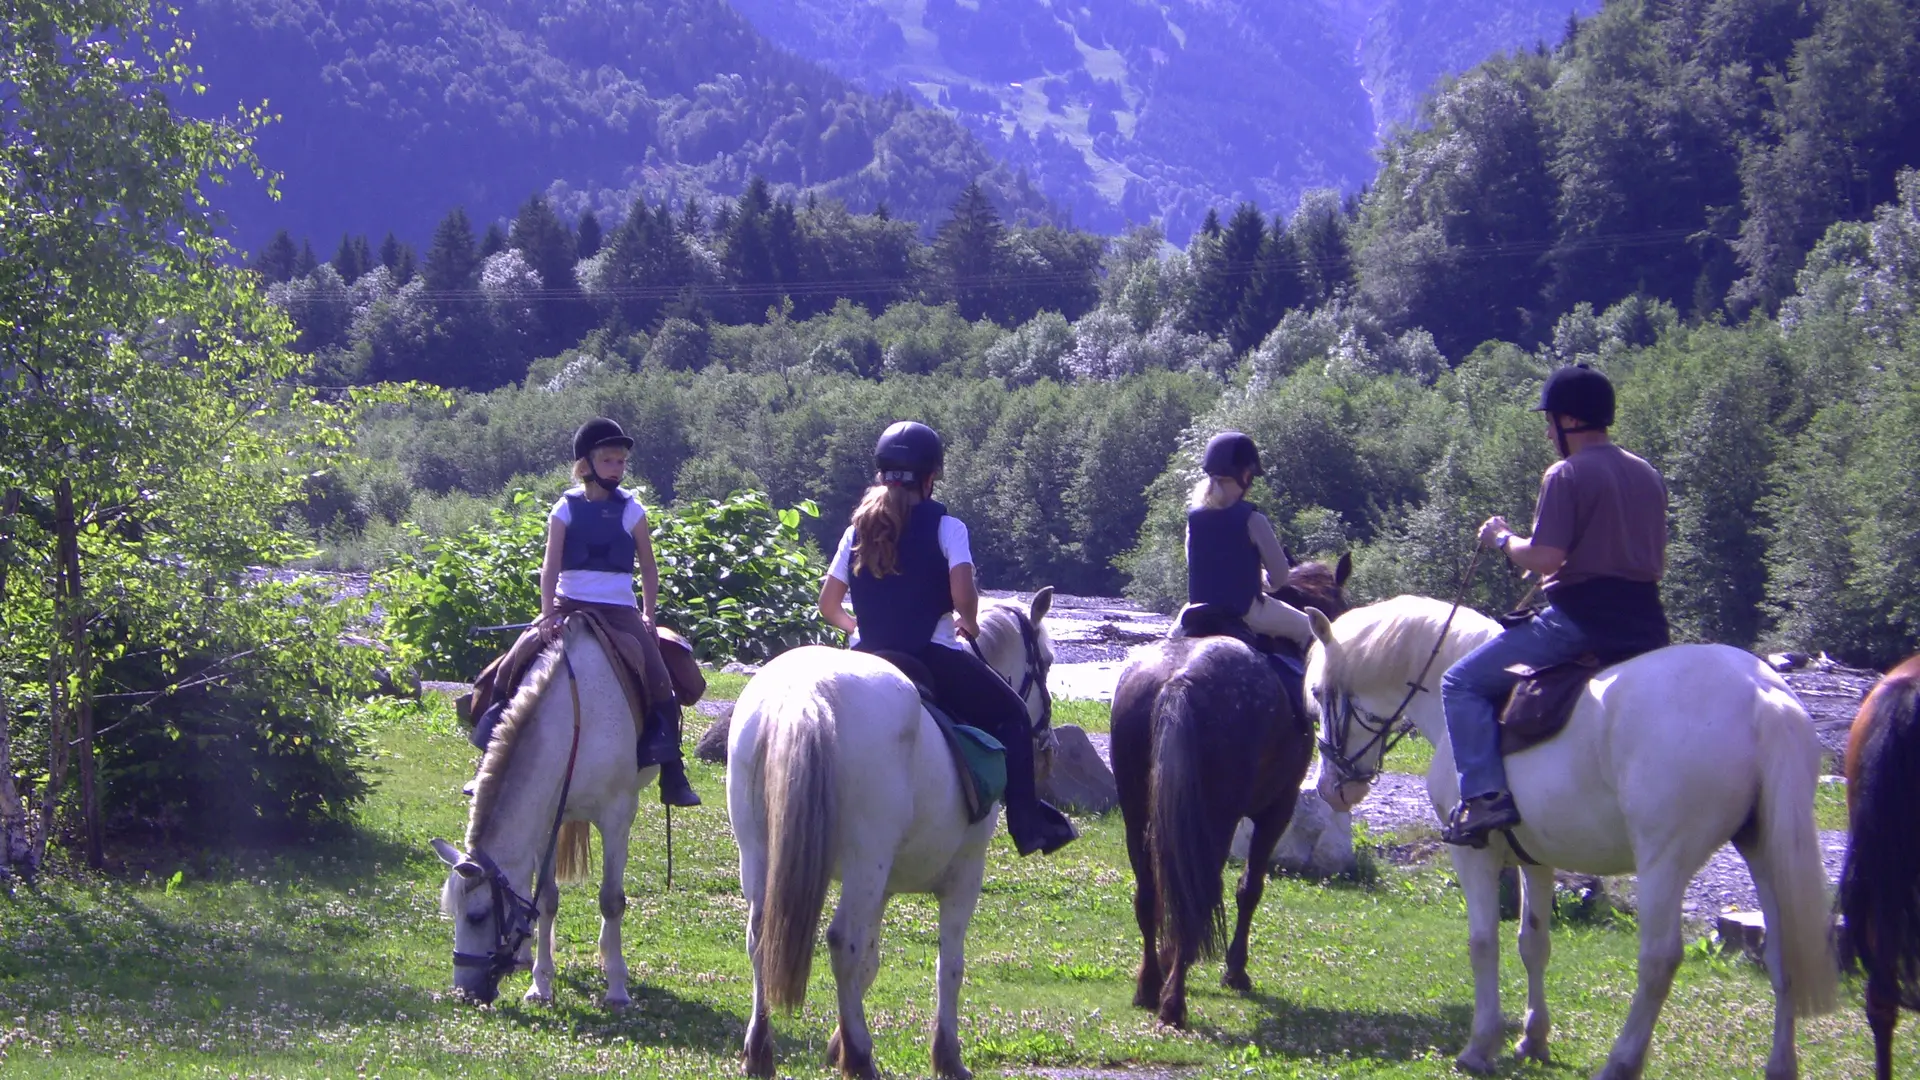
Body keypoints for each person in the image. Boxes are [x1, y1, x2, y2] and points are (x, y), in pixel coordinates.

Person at [816, 421, 1077, 856]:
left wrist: (857, 630)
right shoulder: (947, 527)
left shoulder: (855, 531)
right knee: (1013, 714)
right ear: (930, 479)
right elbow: (962, 597)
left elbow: (829, 604)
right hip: (931, 654)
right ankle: (1028, 825)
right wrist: (970, 623)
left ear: (882, 475)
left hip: (864, 655)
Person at [1440, 364, 1670, 847]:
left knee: (1458, 682)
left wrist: (1502, 539)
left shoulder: (1566, 473)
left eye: (1550, 422)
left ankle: (1484, 797)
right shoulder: (1646, 474)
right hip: (1647, 626)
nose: (1547, 433)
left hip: (1579, 623)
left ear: (1569, 422)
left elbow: (1545, 555)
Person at [468, 418, 701, 807]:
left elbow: (648, 567)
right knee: (511, 666)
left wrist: (647, 613)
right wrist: (546, 615)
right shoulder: (565, 509)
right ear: (586, 465)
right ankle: (489, 761)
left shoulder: (632, 510)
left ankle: (672, 774)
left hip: (619, 610)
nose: (617, 468)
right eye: (609, 460)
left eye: (621, 462)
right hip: (568, 604)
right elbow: (550, 566)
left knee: (660, 677)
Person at [1185, 431, 1314, 651]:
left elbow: (1196, 565)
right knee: (1312, 629)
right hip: (1247, 612)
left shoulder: (1193, 520)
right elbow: (1281, 577)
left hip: (1196, 612)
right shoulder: (1253, 519)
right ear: (1244, 476)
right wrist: (1262, 580)